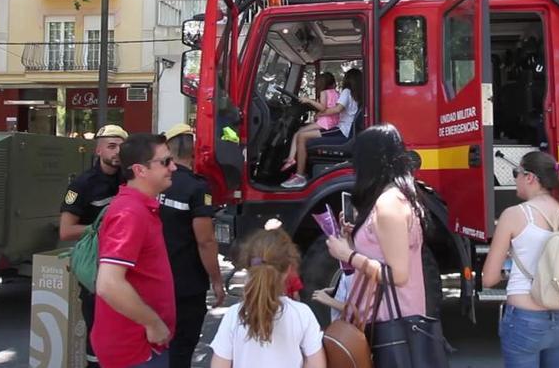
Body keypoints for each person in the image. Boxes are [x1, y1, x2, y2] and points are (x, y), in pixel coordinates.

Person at [481, 151, 559, 368]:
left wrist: (510, 264)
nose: (514, 178)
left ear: (530, 177)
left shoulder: (513, 215)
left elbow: (489, 279)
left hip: (525, 318)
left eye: (516, 172)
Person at [93, 133, 178, 368]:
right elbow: (108, 284)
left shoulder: (137, 208)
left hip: (142, 345)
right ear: (140, 170)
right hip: (135, 349)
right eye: (165, 162)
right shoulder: (130, 213)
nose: (173, 167)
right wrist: (153, 323)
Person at [326, 123, 426, 322]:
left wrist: (348, 254)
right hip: (385, 319)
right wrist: (356, 237)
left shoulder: (389, 204)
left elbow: (397, 275)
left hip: (389, 321)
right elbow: (381, 253)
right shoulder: (397, 196)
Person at [58, 124, 128, 368]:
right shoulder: (82, 185)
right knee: (98, 332)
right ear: (98, 150)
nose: (117, 151)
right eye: (111, 146)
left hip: (127, 265)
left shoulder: (130, 179)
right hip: (96, 268)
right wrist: (99, 229)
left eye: (121, 146)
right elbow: (66, 231)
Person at [158, 123, 226, 368]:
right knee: (181, 349)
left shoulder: (152, 185)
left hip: (153, 282)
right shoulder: (197, 188)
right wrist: (217, 282)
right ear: (194, 151)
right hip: (186, 286)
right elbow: (205, 241)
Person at [209, 229, 326, 368]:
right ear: (288, 269)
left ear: (249, 267)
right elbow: (317, 365)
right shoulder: (302, 314)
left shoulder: (233, 316)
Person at [282, 68, 362, 189]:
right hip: (346, 130)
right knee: (303, 134)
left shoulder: (346, 92)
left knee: (302, 137)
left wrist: (321, 114)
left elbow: (337, 109)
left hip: (342, 131)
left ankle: (299, 176)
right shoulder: (356, 95)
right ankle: (300, 172)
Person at [281, 72, 340, 173]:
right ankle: (292, 158)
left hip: (324, 123)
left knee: (298, 133)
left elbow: (322, 107)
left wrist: (309, 100)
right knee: (301, 130)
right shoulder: (336, 93)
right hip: (333, 122)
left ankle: (291, 159)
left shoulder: (323, 93)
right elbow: (331, 107)